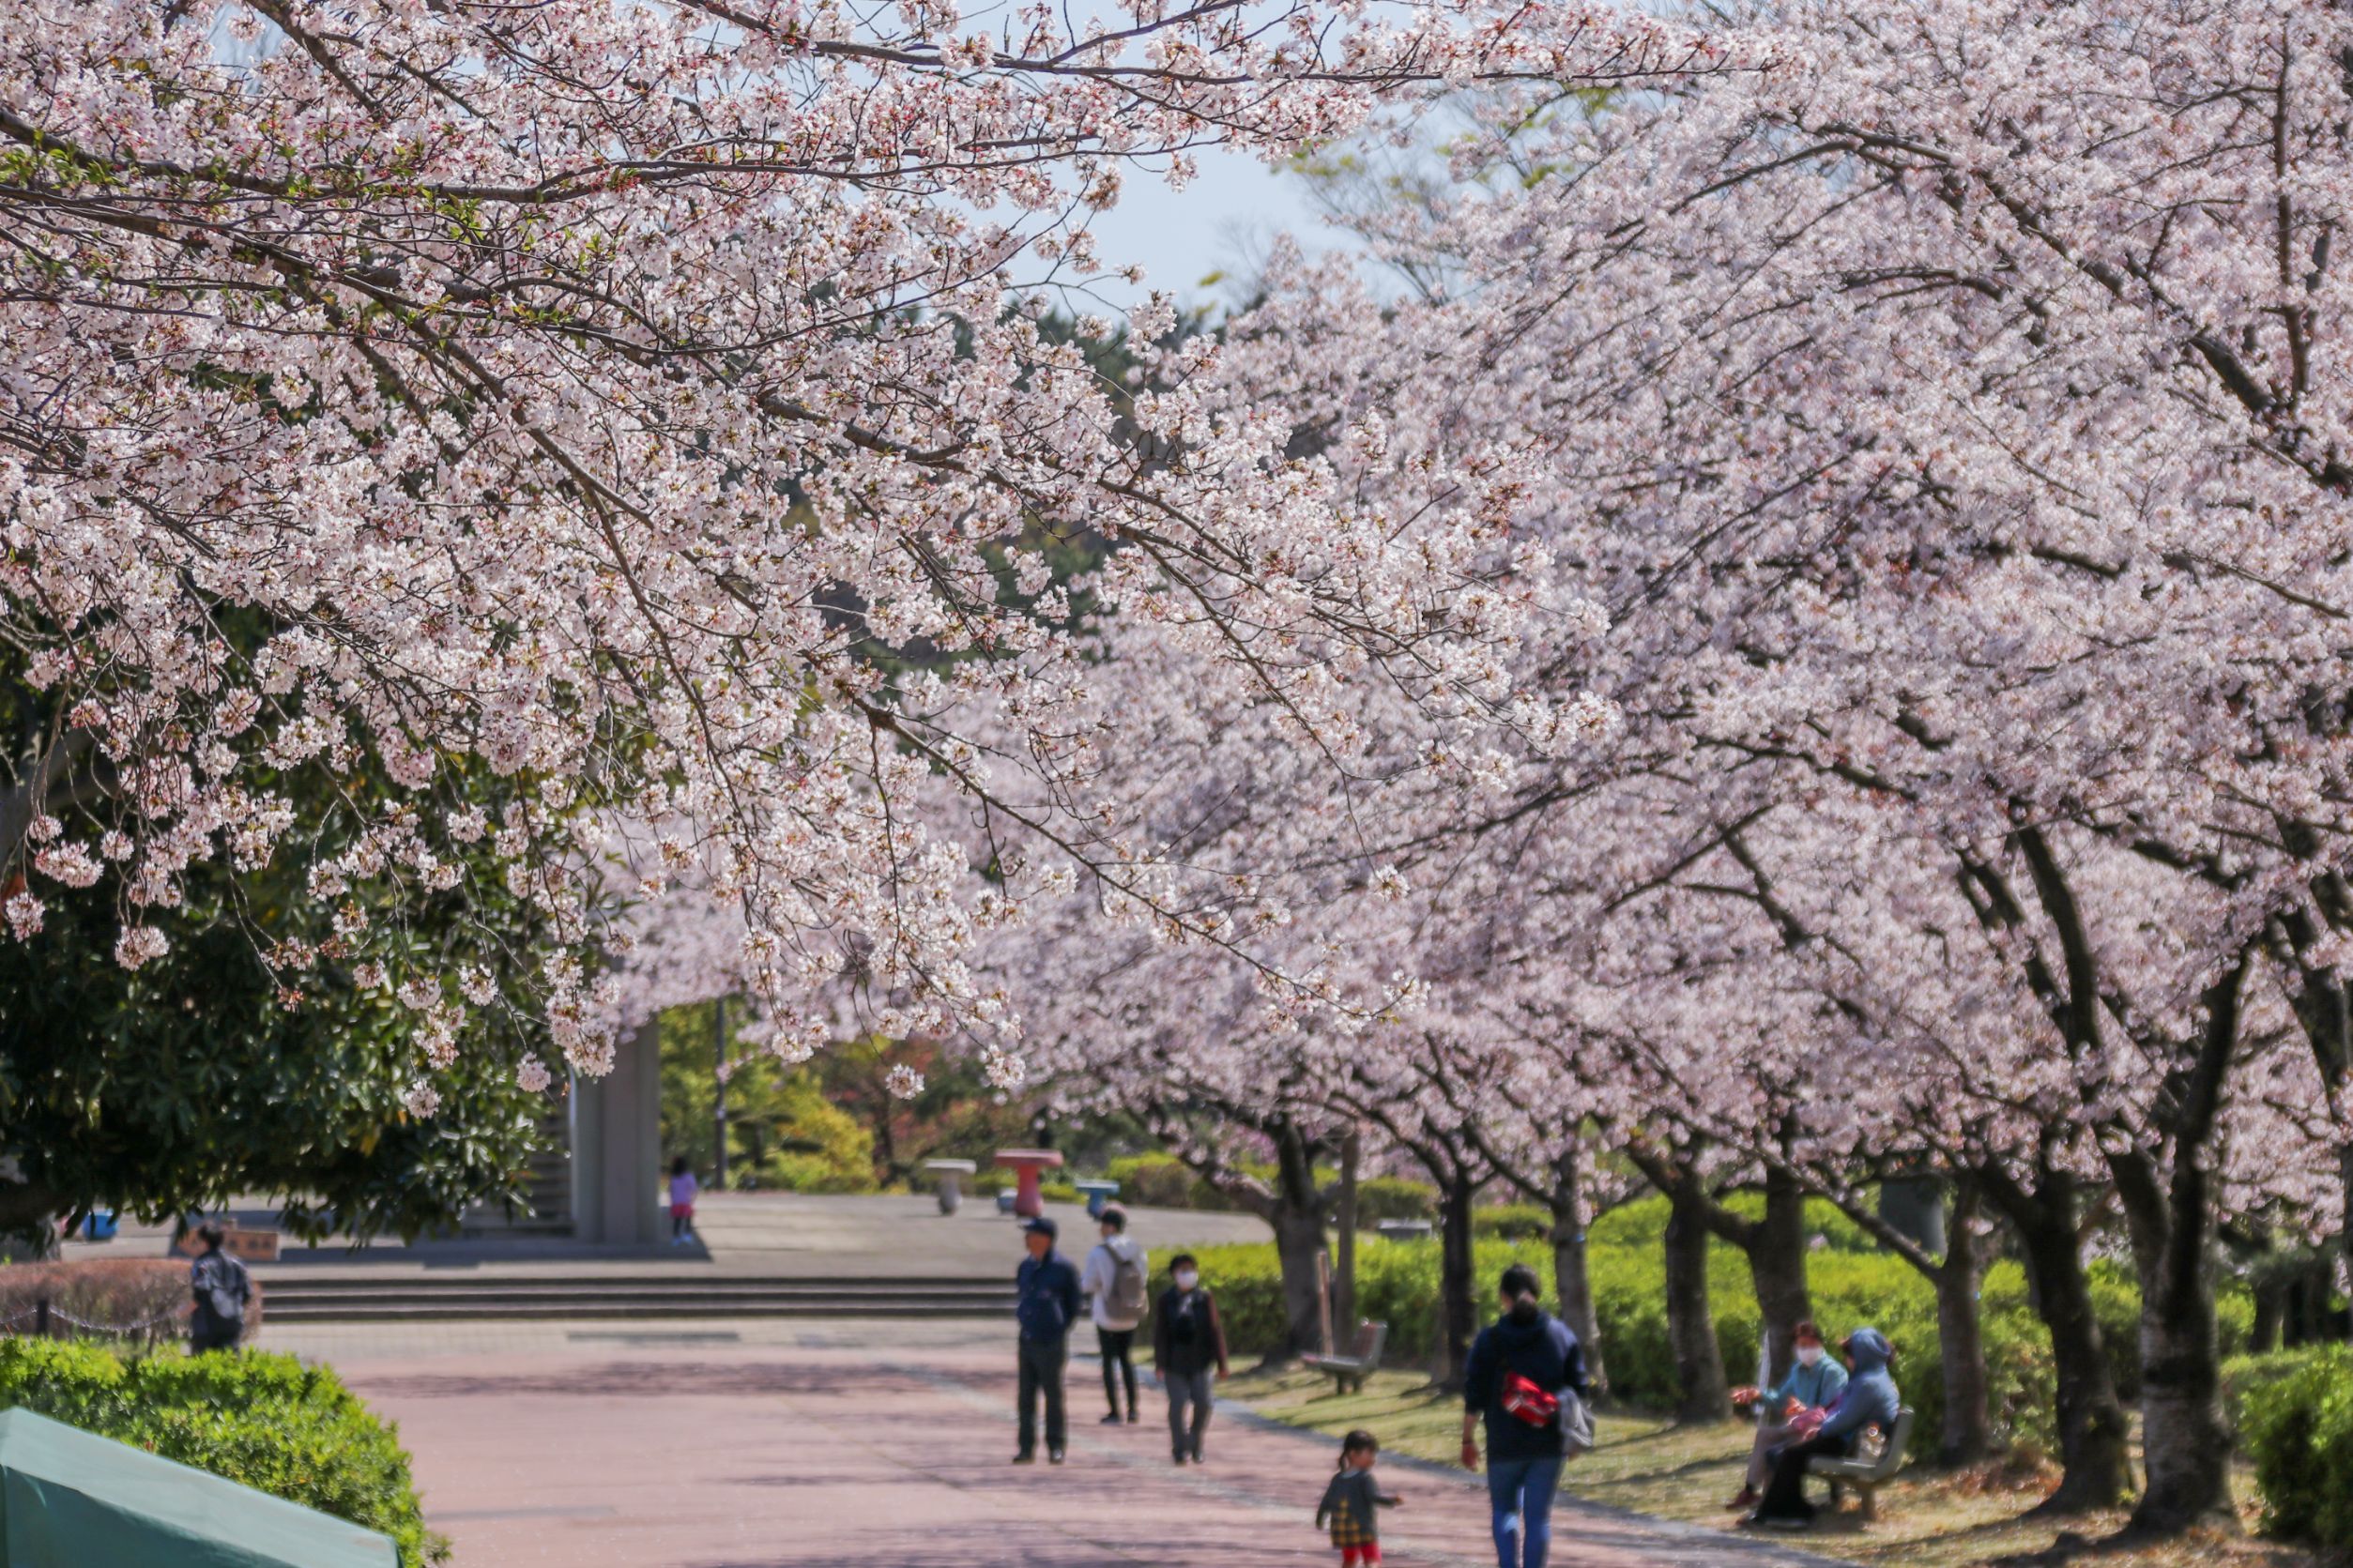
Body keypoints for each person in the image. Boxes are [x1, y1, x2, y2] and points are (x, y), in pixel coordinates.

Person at [1461, 1263, 1587, 1568]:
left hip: (1503, 1442)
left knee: (1504, 1511)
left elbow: (1474, 1394)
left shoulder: (1489, 1339)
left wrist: (1467, 1439)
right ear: (1538, 1293)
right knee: (1538, 1517)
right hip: (1549, 1442)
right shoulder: (1561, 1335)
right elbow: (1580, 1387)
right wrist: (1576, 1436)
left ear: (1503, 1296)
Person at [1749, 1327, 1902, 1529]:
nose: (1847, 1360)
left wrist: (1821, 1428)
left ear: (1861, 1356)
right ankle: (1784, 1510)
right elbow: (1843, 1414)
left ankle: (1789, 1514)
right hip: (1855, 1442)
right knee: (1787, 1453)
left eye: (1849, 1354)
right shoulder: (1874, 1379)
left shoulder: (1868, 1384)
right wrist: (1822, 1426)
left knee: (1790, 1455)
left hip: (1852, 1446)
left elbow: (1845, 1419)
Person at [1724, 1319, 1848, 1511]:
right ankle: (1750, 1491)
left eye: (1811, 1344)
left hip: (1817, 1432)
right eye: (1802, 1346)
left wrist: (1803, 1410)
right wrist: (1757, 1394)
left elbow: (1829, 1409)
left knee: (1777, 1450)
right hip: (1798, 1426)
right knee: (1765, 1434)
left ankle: (1769, 1504)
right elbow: (1781, 1398)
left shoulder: (1832, 1372)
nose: (1807, 1350)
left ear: (1820, 1344)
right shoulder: (1797, 1370)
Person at [1013, 1214, 1082, 1464]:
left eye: (1031, 1234)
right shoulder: (1026, 1266)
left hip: (1051, 1341)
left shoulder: (1063, 1268)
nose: (1026, 1238)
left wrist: (1059, 1327)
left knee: (1053, 1396)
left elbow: (1074, 1305)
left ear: (1045, 1238)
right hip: (1027, 1339)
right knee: (1025, 1397)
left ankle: (1056, 1445)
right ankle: (1026, 1447)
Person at [1152, 1252, 1231, 1464]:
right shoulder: (1166, 1300)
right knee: (1177, 1404)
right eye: (1182, 1270)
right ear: (1174, 1274)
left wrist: (1222, 1362)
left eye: (1190, 1269)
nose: (1187, 1274)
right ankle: (1179, 1447)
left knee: (1204, 1403)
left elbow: (1215, 1330)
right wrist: (1159, 1363)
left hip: (1201, 1361)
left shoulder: (1204, 1298)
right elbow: (1160, 1333)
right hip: (1174, 1362)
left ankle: (1196, 1442)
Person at [1078, 1203, 1148, 1424]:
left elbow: (1089, 1284)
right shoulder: (1137, 1249)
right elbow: (1143, 1278)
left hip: (1106, 1314)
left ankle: (1114, 1411)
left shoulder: (1099, 1252)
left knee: (1108, 1361)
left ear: (1108, 1226)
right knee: (1127, 1360)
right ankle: (1133, 1409)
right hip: (1131, 1313)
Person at [1315, 1429, 1400, 1567]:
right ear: (1353, 1454)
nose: (1373, 1459)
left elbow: (1326, 1502)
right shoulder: (1365, 1478)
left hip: (1342, 1530)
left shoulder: (1337, 1479)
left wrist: (1320, 1519)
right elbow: (1373, 1497)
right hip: (1363, 1529)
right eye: (1370, 1454)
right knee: (1372, 1558)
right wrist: (1391, 1501)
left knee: (1349, 1560)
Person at [188, 1224, 251, 1354]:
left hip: (206, 1326)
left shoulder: (201, 1265)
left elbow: (200, 1292)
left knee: (203, 1367)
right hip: (233, 1323)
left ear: (204, 1242)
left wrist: (183, 1310)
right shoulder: (237, 1264)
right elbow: (247, 1294)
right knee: (231, 1364)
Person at [667, 1156, 699, 1245]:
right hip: (686, 1201)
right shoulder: (688, 1176)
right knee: (688, 1220)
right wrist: (693, 1199)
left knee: (677, 1221)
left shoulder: (674, 1176)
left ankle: (676, 1238)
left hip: (676, 1202)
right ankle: (687, 1236)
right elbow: (694, 1188)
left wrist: (672, 1200)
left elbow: (671, 1189)